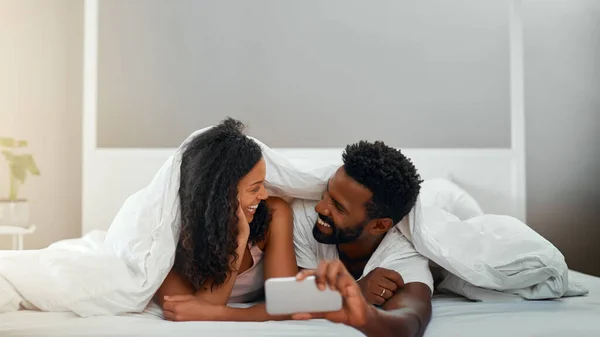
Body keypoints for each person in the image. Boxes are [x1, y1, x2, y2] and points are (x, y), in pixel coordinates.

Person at [155, 118, 298, 321]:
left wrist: (223, 314)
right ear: (221, 196)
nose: (265, 195)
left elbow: (286, 306)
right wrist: (239, 239)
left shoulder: (275, 213)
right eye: (254, 188)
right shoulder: (169, 237)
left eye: (263, 184)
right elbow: (188, 315)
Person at [291, 140, 434, 337]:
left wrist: (368, 317)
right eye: (326, 193)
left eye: (338, 207)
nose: (321, 208)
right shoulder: (305, 216)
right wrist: (356, 291)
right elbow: (294, 298)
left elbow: (411, 320)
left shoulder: (403, 252)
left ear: (378, 225)